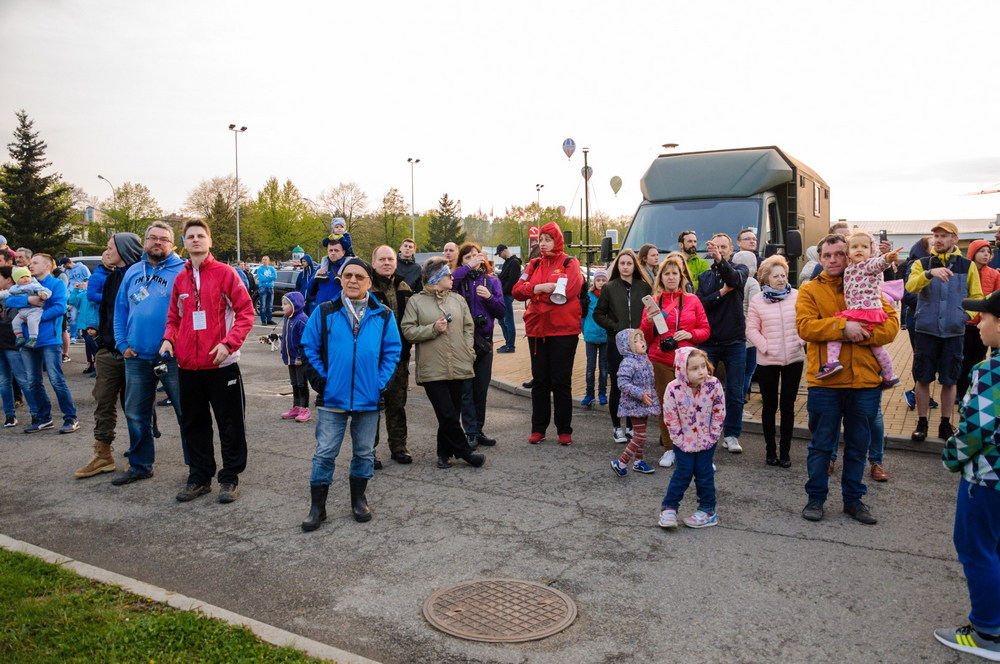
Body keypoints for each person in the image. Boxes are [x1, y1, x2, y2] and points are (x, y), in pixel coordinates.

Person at [798, 234, 899, 525]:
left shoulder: (869, 284)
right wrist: (844, 327)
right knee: (820, 445)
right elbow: (805, 327)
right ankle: (815, 498)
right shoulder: (809, 291)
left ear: (849, 255)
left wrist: (864, 334)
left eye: (838, 254)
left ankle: (853, 501)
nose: (833, 260)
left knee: (858, 446)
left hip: (865, 382)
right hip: (825, 382)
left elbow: (891, 326)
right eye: (826, 255)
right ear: (820, 259)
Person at [300, 257, 401, 532]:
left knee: (365, 453)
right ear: (340, 280)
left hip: (368, 400)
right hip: (333, 398)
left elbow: (393, 352)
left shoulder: (383, 315)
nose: (353, 281)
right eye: (348, 276)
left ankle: (359, 500)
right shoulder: (324, 311)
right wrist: (323, 380)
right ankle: (317, 508)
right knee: (324, 453)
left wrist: (379, 383)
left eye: (359, 276)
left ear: (369, 282)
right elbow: (309, 347)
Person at [159, 219, 255, 504]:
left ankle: (229, 478)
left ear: (210, 241)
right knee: (194, 423)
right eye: (191, 236)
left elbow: (246, 312)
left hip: (222, 364)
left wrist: (229, 343)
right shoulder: (180, 279)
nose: (196, 240)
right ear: (184, 243)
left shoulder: (226, 274)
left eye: (201, 235)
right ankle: (199, 477)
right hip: (188, 365)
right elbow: (174, 318)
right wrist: (168, 338)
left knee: (230, 424)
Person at [935, 289, 1000, 660]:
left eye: (986, 319)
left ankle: (987, 632)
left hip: (987, 478)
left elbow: (974, 430)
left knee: (976, 549)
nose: (979, 324)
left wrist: (951, 459)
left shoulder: (990, 372)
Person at [111, 222, 188, 486]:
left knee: (185, 412)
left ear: (172, 244)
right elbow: (121, 310)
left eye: (163, 239)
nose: (157, 242)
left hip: (173, 356)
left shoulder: (184, 270)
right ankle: (140, 465)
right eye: (152, 238)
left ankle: (197, 469)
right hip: (137, 356)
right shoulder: (133, 271)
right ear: (145, 242)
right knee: (136, 413)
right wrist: (122, 343)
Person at [401, 256, 484, 468]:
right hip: (432, 367)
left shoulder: (457, 300)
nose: (451, 277)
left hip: (459, 363)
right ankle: (465, 451)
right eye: (447, 274)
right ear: (436, 278)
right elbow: (408, 331)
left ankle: (443, 453)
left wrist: (468, 351)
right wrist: (432, 329)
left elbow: (468, 327)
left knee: (451, 414)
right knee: (446, 412)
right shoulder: (416, 301)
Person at [74, 233, 143, 478]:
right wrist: (101, 340)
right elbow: (107, 312)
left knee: (135, 407)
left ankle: (140, 457)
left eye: (110, 247)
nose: (107, 251)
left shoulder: (142, 276)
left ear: (124, 250)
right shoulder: (112, 277)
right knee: (103, 402)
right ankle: (102, 454)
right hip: (108, 351)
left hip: (135, 354)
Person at [906, 222, 982, 442]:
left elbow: (976, 296)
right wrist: (929, 273)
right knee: (922, 378)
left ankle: (945, 424)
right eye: (935, 236)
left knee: (950, 380)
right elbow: (911, 287)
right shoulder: (922, 264)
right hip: (926, 330)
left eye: (943, 236)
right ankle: (922, 423)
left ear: (954, 240)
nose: (938, 240)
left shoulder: (967, 266)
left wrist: (963, 316)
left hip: (954, 332)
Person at [512, 223, 583, 445]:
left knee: (561, 381)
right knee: (540, 382)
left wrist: (534, 292)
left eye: (547, 239)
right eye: (541, 239)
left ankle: (564, 429)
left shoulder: (570, 263)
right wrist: (539, 289)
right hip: (537, 331)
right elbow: (516, 291)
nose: (542, 243)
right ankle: (538, 428)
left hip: (564, 331)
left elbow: (568, 292)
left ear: (557, 241)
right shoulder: (533, 264)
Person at [640, 254, 710, 469]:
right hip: (660, 360)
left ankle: (693, 449)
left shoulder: (692, 300)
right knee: (665, 406)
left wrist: (689, 334)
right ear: (661, 278)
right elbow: (646, 337)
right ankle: (669, 449)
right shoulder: (653, 302)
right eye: (667, 274)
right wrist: (649, 323)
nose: (671, 277)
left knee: (691, 407)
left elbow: (706, 330)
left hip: (688, 362)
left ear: (682, 277)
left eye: (675, 274)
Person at [815, 231, 901, 387]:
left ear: (871, 251)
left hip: (864, 310)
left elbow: (878, 264)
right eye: (855, 247)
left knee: (836, 333)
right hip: (865, 310)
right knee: (877, 348)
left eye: (864, 247)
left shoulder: (867, 264)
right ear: (848, 253)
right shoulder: (850, 268)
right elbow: (805, 327)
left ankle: (832, 362)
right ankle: (890, 376)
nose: (859, 250)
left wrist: (887, 258)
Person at [7, 254, 78, 434]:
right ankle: (44, 418)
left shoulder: (56, 284)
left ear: (47, 266)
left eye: (35, 263)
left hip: (49, 340)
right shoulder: (23, 284)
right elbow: (8, 300)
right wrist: (28, 300)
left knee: (56, 380)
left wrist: (37, 319)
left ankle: (71, 418)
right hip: (27, 339)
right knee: (33, 381)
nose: (30, 266)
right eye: (31, 263)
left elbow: (60, 308)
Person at [745, 255, 804, 467]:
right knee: (769, 406)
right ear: (765, 278)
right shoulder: (757, 300)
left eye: (784, 275)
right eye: (776, 276)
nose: (781, 279)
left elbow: (804, 321)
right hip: (768, 360)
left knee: (787, 406)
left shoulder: (797, 296)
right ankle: (770, 450)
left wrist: (800, 340)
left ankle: (785, 452)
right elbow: (751, 328)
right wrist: (765, 346)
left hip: (794, 359)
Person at [657, 347, 725, 529]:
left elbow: (719, 411)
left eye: (703, 366)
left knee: (705, 474)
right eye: (694, 368)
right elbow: (670, 416)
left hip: (706, 441)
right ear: (682, 369)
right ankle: (669, 509)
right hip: (683, 442)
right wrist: (678, 439)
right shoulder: (673, 389)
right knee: (682, 474)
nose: (701, 371)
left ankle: (707, 511)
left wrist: (713, 435)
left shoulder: (714, 384)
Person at [695, 233, 749, 454]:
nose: (719, 250)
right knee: (704, 390)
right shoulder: (704, 277)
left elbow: (735, 280)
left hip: (735, 341)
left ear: (730, 249)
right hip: (709, 342)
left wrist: (720, 262)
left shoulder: (740, 269)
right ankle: (705, 432)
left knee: (735, 391)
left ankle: (732, 434)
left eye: (723, 247)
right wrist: (721, 293)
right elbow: (700, 304)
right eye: (715, 247)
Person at [594, 249, 653, 444]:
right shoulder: (609, 288)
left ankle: (631, 426)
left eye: (629, 263)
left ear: (634, 265)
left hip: (639, 346)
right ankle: (616, 427)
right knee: (619, 387)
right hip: (616, 345)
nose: (626, 266)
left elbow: (652, 312)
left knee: (636, 386)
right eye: (622, 263)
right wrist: (616, 327)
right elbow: (598, 314)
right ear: (617, 266)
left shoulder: (644, 287)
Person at [451, 242, 505, 448]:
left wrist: (489, 298)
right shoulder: (457, 279)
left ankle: (478, 430)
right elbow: (450, 282)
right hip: (462, 342)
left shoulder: (491, 282)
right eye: (467, 257)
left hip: (484, 342)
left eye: (476, 255)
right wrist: (466, 268)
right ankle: (470, 431)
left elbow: (501, 311)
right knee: (466, 389)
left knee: (480, 389)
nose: (474, 259)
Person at [370, 245, 415, 464]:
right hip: (373, 359)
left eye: (390, 259)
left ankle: (399, 447)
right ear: (374, 263)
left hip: (399, 357)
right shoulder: (366, 287)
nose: (387, 263)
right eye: (382, 259)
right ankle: (369, 451)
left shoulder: (403, 285)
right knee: (371, 406)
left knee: (397, 404)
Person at [609, 329, 660, 476]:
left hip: (643, 404)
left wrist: (652, 402)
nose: (641, 343)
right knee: (641, 436)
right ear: (627, 346)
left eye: (641, 339)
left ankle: (638, 462)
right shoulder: (628, 362)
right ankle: (621, 462)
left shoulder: (644, 359)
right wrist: (640, 394)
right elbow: (622, 383)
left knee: (640, 434)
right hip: (633, 405)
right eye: (636, 341)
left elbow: (649, 383)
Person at [957, 238, 999, 401]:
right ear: (973, 253)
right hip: (967, 323)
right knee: (963, 359)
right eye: (981, 251)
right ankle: (961, 393)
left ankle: (973, 391)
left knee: (978, 359)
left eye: (988, 252)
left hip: (985, 325)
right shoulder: (965, 271)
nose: (985, 255)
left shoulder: (994, 274)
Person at [0, 266, 37, 428]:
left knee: (23, 380)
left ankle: (37, 414)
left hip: (13, 343)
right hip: (2, 343)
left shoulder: (20, 293)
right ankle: (9, 415)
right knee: (3, 382)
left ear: (8, 279)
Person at [733, 250, 761, 398]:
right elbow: (756, 307)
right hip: (749, 333)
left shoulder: (732, 279)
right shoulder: (752, 282)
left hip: (733, 331)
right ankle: (741, 401)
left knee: (736, 373)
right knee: (748, 371)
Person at [278, 292, 311, 423]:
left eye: (285, 304)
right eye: (282, 304)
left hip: (299, 359)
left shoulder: (302, 319)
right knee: (294, 383)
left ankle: (305, 408)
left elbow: (305, 340)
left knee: (302, 383)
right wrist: (283, 351)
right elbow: (286, 336)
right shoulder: (287, 318)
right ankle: (296, 406)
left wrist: (299, 356)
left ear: (294, 305)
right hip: (290, 358)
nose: (282, 307)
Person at [0, 266, 51, 347]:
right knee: (15, 322)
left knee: (32, 322)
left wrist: (44, 294)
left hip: (34, 310)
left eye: (27, 276)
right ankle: (19, 336)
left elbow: (45, 290)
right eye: (22, 277)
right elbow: (7, 295)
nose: (25, 279)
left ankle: (33, 338)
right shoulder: (14, 288)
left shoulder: (33, 285)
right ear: (16, 279)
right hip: (22, 312)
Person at [581, 268, 608, 407]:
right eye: (598, 280)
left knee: (604, 367)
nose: (601, 283)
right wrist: (584, 331)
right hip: (591, 336)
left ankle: (602, 393)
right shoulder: (588, 296)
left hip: (605, 337)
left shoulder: (609, 296)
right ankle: (589, 393)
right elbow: (583, 315)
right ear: (594, 281)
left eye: (604, 280)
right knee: (590, 367)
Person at [495, 244, 521, 353]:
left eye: (500, 253)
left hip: (507, 295)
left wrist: (502, 290)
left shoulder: (514, 263)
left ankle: (510, 345)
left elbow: (512, 281)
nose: (500, 256)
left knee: (507, 321)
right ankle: (508, 344)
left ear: (505, 250)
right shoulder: (508, 262)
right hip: (503, 295)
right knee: (502, 320)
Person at [309, 236, 348, 305]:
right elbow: (309, 291)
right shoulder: (321, 268)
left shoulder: (348, 268)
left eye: (336, 250)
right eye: (330, 250)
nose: (333, 253)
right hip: (321, 309)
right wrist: (314, 278)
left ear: (343, 252)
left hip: (340, 310)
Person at [256, 256, 277, 325]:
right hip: (263, 288)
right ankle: (264, 320)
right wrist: (270, 278)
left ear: (269, 261)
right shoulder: (260, 269)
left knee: (270, 305)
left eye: (266, 260)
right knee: (263, 305)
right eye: (263, 260)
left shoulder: (271, 268)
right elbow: (262, 279)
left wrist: (267, 277)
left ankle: (269, 319)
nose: (264, 261)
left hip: (271, 288)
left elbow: (275, 277)